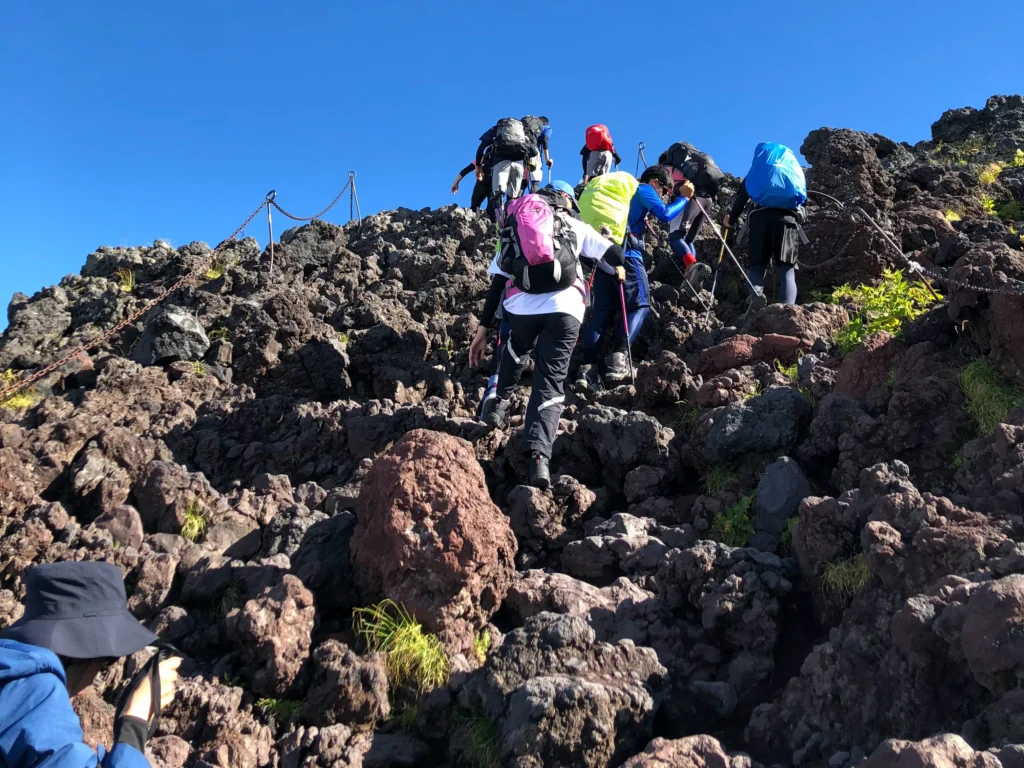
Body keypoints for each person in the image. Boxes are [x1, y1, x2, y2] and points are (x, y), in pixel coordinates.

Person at [476, 180, 627, 489]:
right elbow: (616, 257)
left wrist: (481, 329)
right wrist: (608, 244)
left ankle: (500, 405)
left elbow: (496, 284)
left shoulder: (516, 227)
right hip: (566, 307)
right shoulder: (574, 225)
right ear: (567, 202)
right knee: (550, 382)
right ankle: (538, 461)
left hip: (519, 305)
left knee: (516, 348)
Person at [0, 561, 182, 767]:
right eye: (106, 661)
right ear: (81, 656)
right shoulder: (37, 692)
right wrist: (135, 723)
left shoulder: (10, 674)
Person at [577, 165, 694, 389]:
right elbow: (665, 214)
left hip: (603, 254)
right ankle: (619, 360)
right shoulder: (643, 189)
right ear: (656, 183)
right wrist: (683, 198)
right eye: (666, 191)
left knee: (602, 312)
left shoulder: (622, 198)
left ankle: (587, 369)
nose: (664, 196)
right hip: (628, 255)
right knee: (641, 305)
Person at [722, 143, 808, 306]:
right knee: (787, 269)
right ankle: (788, 309)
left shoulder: (756, 175)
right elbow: (804, 201)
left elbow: (740, 201)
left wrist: (730, 221)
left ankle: (755, 298)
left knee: (757, 266)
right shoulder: (793, 174)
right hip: (788, 221)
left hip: (759, 220)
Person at [476, 118, 535, 214]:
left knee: (497, 194)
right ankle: (510, 218)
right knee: (513, 198)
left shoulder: (495, 130)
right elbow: (534, 152)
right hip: (518, 166)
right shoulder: (521, 134)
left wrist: (478, 166)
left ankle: (499, 223)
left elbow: (481, 148)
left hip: (501, 164)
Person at [522, 116, 553, 192]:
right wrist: (547, 159)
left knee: (523, 183)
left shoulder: (527, 129)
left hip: (522, 152)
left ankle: (515, 203)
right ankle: (533, 202)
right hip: (534, 154)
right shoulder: (547, 128)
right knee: (535, 182)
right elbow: (545, 140)